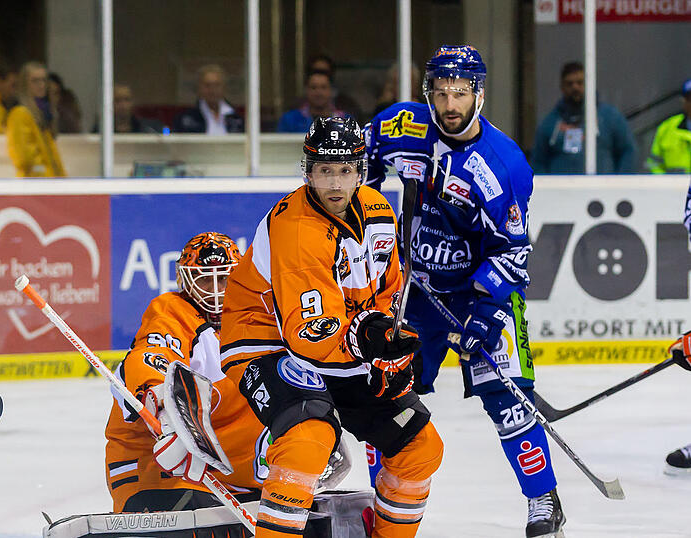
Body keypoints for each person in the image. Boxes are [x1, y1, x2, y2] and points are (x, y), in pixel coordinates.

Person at [363, 45, 564, 537]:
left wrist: (485, 314)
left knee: (509, 401)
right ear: (427, 93)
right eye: (441, 92)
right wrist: (364, 206)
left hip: (482, 294)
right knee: (384, 396)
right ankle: (378, 498)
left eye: (461, 92)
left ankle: (544, 501)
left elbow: (514, 252)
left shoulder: (505, 165)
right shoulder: (402, 126)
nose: (450, 104)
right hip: (415, 292)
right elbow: (361, 153)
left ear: (479, 94)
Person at [220, 116, 443, 538]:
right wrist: (370, 339)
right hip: (266, 339)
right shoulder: (296, 227)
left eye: (344, 171)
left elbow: (387, 290)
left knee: (420, 447)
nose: (335, 184)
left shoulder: (378, 210)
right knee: (309, 437)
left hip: (341, 347)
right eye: (325, 171)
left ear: (361, 171)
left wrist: (389, 350)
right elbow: (312, 336)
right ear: (309, 172)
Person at [104, 232, 266, 513]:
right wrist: (163, 403)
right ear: (186, 280)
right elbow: (151, 357)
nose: (216, 290)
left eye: (224, 279)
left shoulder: (252, 318)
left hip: (224, 474)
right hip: (155, 465)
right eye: (205, 279)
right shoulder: (170, 311)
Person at [531, 61, 635, 174]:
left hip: (601, 190)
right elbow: (538, 162)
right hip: (562, 190)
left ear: (589, 84)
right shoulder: (550, 123)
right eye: (569, 84)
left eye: (580, 83)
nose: (575, 87)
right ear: (562, 87)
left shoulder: (610, 117)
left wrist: (619, 184)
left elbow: (628, 152)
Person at [5, 62, 67, 177]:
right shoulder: (20, 114)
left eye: (44, 80)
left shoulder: (43, 112)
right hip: (36, 184)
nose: (41, 85)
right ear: (25, 84)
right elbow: (24, 158)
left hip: (49, 182)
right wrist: (43, 174)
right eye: (35, 81)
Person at [172, 65, 244, 134]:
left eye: (217, 85)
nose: (212, 90)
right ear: (199, 88)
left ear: (224, 88)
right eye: (207, 85)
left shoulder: (236, 118)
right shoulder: (186, 119)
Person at [646, 78, 691, 174]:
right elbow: (653, 163)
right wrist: (664, 183)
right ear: (683, 101)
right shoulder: (667, 128)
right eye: (690, 99)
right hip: (674, 187)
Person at [276, 70, 344, 133]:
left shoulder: (346, 120)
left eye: (323, 87)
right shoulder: (289, 119)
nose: (318, 92)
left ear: (331, 91)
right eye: (313, 87)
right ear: (306, 90)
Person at [92, 84, 165, 134]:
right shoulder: (101, 130)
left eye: (127, 100)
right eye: (117, 100)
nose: (122, 105)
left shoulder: (148, 128)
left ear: (133, 102)